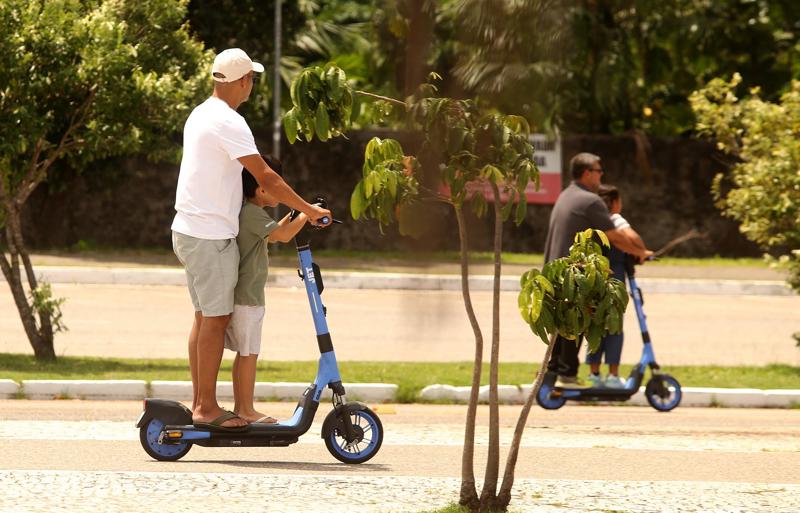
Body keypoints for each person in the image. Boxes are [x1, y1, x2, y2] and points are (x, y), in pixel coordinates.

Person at [171, 48, 331, 431]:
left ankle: (202, 402)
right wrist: (309, 209)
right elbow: (267, 179)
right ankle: (205, 408)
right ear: (243, 81)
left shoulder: (200, 113)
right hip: (209, 234)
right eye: (252, 80)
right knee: (215, 318)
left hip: (189, 229)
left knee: (204, 318)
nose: (252, 87)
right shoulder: (230, 122)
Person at [543, 153, 653, 389]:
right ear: (587, 173)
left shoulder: (566, 195)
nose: (601, 175)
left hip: (558, 270)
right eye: (598, 171)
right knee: (577, 320)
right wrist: (641, 253)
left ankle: (552, 373)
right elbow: (615, 237)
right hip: (575, 274)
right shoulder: (590, 201)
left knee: (565, 324)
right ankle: (567, 375)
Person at [226, 156, 310, 424]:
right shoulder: (251, 213)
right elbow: (282, 237)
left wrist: (294, 215)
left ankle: (242, 407)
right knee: (249, 354)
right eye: (277, 185)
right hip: (248, 297)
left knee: (244, 353)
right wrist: (310, 212)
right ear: (261, 189)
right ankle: (246, 410)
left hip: (245, 295)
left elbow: (275, 232)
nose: (281, 190)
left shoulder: (248, 211)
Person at [586, 184, 648, 388]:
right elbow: (634, 239)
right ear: (614, 203)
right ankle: (613, 375)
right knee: (614, 324)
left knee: (595, 324)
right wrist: (642, 252)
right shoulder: (615, 219)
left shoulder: (593, 221)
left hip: (594, 277)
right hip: (614, 281)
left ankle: (593, 374)